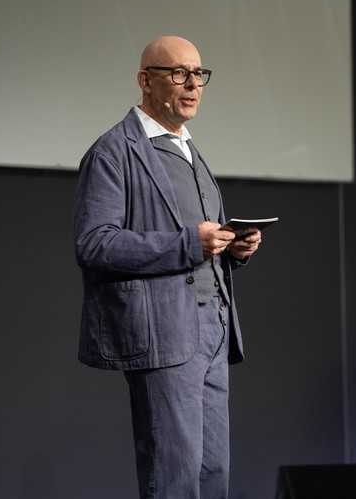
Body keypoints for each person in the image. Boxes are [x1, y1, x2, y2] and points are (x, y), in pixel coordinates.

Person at [73, 35, 262, 499]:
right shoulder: (113, 152)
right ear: (145, 81)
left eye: (198, 74)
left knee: (213, 473)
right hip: (164, 333)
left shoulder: (190, 151)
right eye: (179, 73)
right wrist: (188, 244)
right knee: (175, 476)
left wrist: (232, 249)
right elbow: (95, 244)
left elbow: (200, 245)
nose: (193, 84)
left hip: (213, 331)